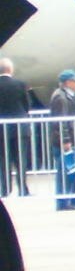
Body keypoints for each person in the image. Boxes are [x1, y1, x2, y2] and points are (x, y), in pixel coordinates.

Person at [49, 69, 75, 209]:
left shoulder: (68, 96)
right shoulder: (61, 97)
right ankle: (63, 201)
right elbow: (60, 122)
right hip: (68, 142)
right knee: (65, 173)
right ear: (67, 82)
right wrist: (66, 141)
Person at [0, 57, 32, 197]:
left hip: (1, 129)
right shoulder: (20, 84)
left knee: (3, 160)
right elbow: (27, 105)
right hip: (20, 128)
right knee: (21, 160)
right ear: (10, 69)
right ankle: (23, 189)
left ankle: (5, 190)